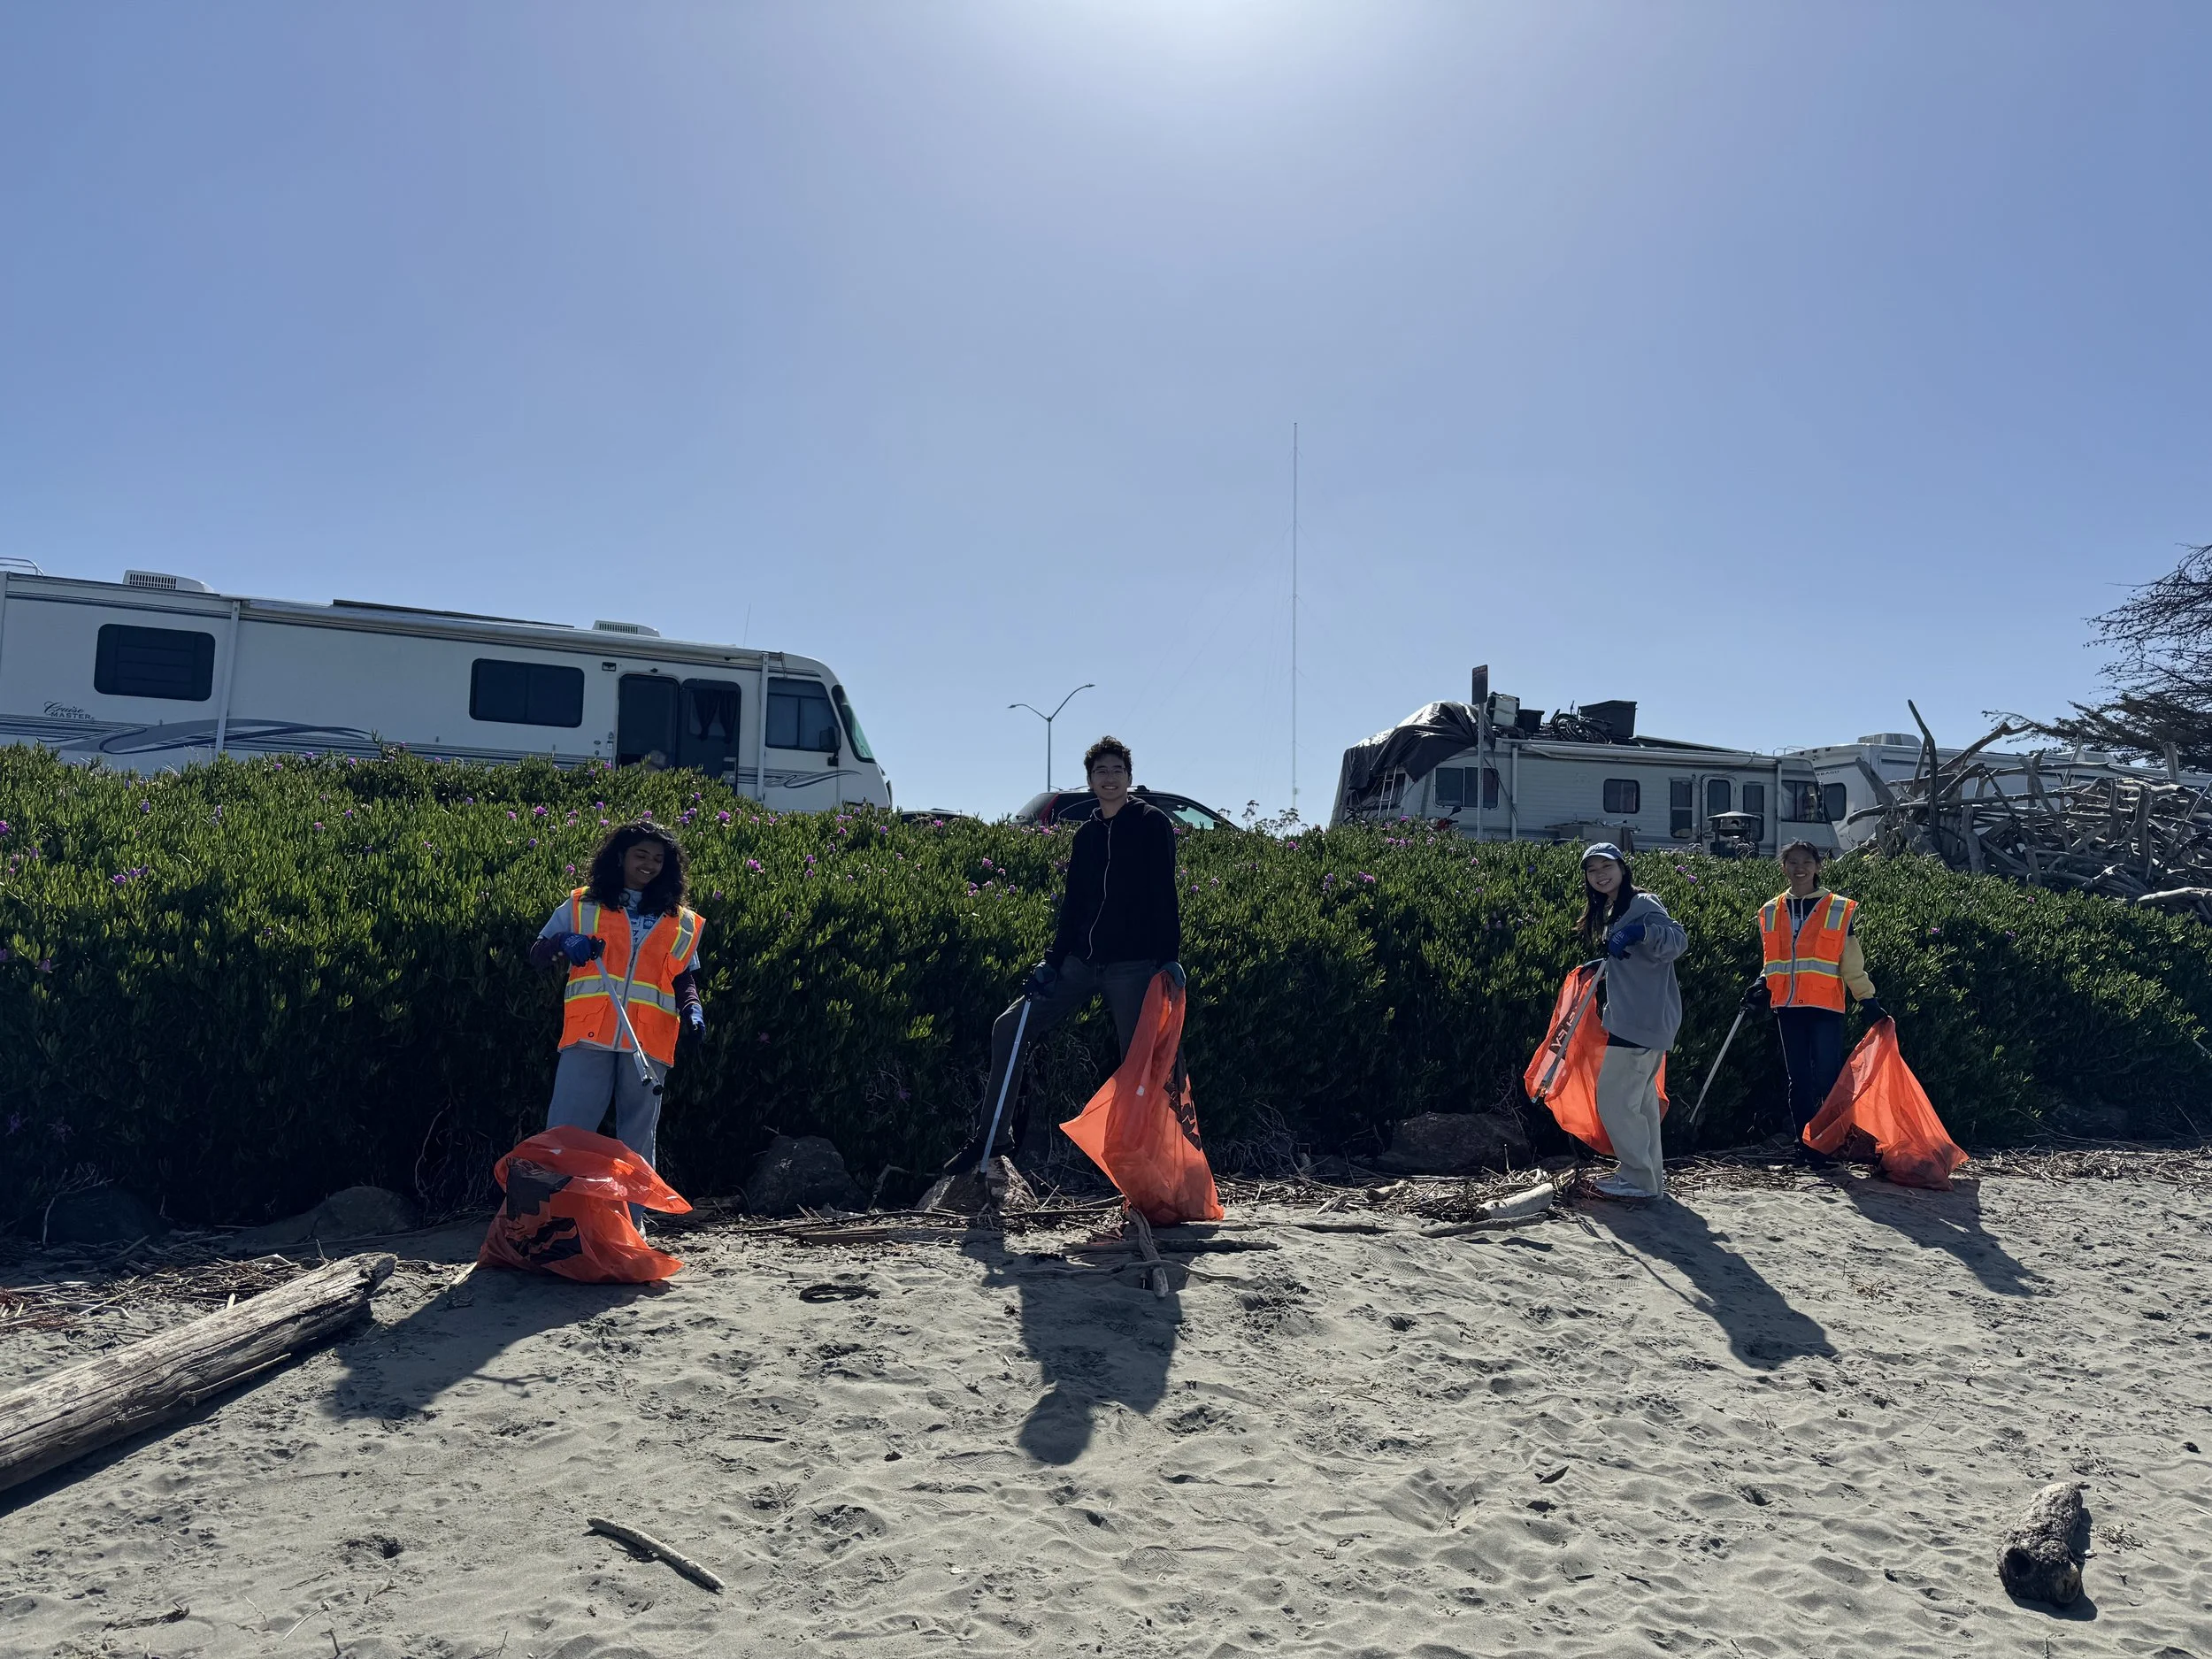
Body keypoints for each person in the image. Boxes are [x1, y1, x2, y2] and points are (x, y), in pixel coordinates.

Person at [944, 736, 1183, 1172]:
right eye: (1100, 772)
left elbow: (1164, 895)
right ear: (1089, 780)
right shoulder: (1087, 836)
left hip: (1133, 967)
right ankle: (991, 1139)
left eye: (1116, 771)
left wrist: (1169, 958)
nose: (1109, 779)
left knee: (1141, 1064)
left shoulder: (1152, 824)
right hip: (1079, 963)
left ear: (1129, 777)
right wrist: (1052, 963)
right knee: (1009, 1027)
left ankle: (1152, 1166)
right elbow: (1073, 907)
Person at [527, 822, 706, 1204]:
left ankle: (633, 1227)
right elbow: (538, 953)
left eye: (658, 859)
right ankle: (546, 1216)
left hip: (648, 1043)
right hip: (589, 1035)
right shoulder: (582, 904)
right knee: (566, 1130)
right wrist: (564, 941)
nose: (649, 864)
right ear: (621, 856)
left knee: (638, 1139)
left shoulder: (682, 920)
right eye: (641, 855)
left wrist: (693, 1009)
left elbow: (684, 977)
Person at [1740, 840, 1886, 1160]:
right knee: (1799, 1081)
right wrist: (1761, 985)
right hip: (1788, 1008)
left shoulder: (1837, 907)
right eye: (1792, 862)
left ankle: (1830, 1141)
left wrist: (1867, 998)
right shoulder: (1770, 910)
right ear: (1783, 867)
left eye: (1807, 861)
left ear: (1818, 866)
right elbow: (1773, 960)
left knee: (1827, 1078)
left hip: (1825, 1007)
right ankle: (1805, 1143)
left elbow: (1850, 961)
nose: (1800, 868)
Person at [1578, 841, 1686, 1201]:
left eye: (1606, 866)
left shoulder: (1642, 903)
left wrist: (1642, 932)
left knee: (1615, 1099)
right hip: (1636, 1018)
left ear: (1623, 868)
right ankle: (1650, 1180)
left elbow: (1677, 942)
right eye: (1592, 870)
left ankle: (1637, 1180)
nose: (1600, 875)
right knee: (1639, 1104)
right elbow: (1634, 963)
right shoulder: (1611, 909)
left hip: (1642, 1018)